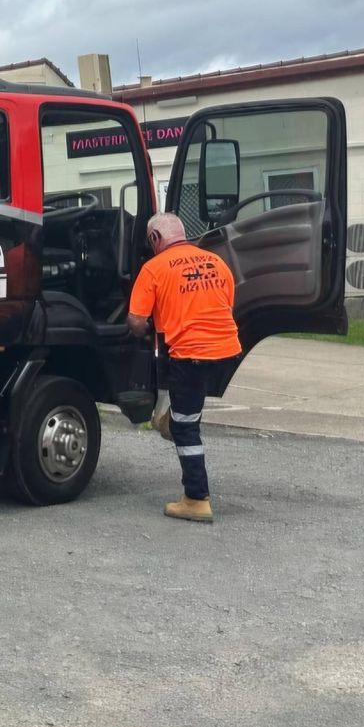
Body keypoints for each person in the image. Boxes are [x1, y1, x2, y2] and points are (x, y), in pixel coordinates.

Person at [128, 212, 242, 523]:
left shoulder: (153, 268)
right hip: (227, 353)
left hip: (191, 356)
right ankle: (176, 415)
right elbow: (225, 305)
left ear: (155, 239)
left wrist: (145, 329)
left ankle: (196, 498)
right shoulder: (216, 262)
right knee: (187, 411)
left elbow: (137, 321)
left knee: (185, 428)